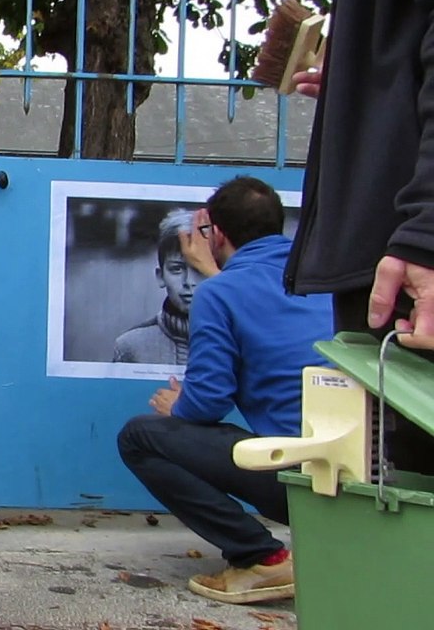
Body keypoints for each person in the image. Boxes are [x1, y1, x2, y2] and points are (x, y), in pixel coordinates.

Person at [118, 176, 334, 605]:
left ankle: (262, 558)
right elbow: (262, 305)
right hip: (358, 477)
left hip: (302, 483)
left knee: (138, 437)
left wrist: (179, 405)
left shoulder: (219, 293)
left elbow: (207, 403)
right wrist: (215, 274)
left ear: (214, 234)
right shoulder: (322, 277)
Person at [286, 0, 434, 475]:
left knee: (405, 490)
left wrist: (427, 230)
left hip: (406, 247)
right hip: (398, 235)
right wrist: (368, 83)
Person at [113, 209, 202, 365]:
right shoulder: (131, 346)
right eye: (176, 269)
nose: (189, 282)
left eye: (199, 269)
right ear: (161, 276)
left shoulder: (239, 342)